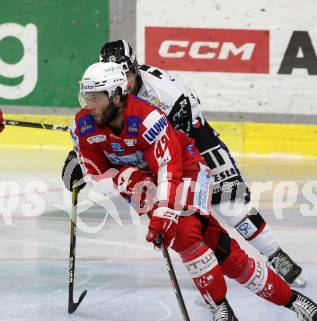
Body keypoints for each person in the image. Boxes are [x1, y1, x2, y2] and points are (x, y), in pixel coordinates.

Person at [70, 61, 317, 321]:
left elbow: (169, 167)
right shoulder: (84, 124)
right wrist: (124, 176)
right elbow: (99, 171)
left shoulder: (148, 118)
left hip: (186, 171)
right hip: (145, 186)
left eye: (95, 97)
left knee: (183, 232)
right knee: (221, 250)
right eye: (86, 97)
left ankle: (219, 307)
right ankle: (294, 301)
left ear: (116, 95)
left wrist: (163, 211)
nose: (89, 105)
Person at [62, 40, 305, 288]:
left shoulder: (165, 95)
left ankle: (276, 255)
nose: (123, 83)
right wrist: (80, 156)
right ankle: (216, 271)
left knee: (231, 202)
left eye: (128, 75)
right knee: (193, 221)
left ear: (135, 69)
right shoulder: (107, 95)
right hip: (150, 150)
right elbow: (97, 131)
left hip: (191, 140)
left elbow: (176, 147)